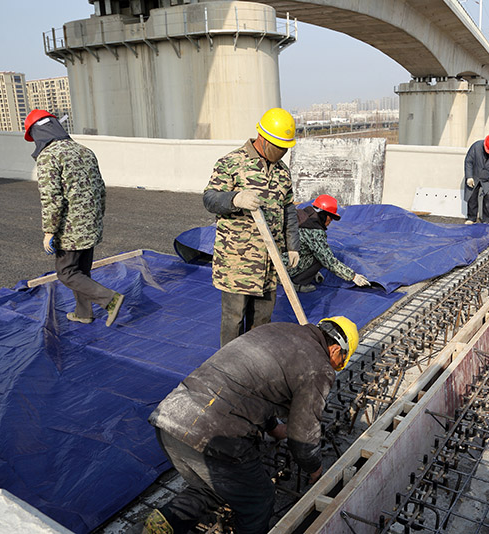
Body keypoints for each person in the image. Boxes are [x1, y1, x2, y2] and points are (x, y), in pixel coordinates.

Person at [144, 316, 359, 534]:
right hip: (213, 433)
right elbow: (303, 436)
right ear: (335, 350)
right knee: (258, 499)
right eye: (340, 362)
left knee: (220, 487)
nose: (335, 368)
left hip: (170, 417)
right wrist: (314, 467)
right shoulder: (318, 367)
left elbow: (252, 383)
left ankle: (166, 521)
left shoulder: (277, 329)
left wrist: (273, 427)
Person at [203, 108, 300, 347]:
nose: (283, 152)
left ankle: (255, 361)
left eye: (286, 147)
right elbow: (209, 199)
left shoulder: (282, 172)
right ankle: (230, 364)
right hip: (238, 261)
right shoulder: (232, 163)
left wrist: (292, 246)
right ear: (263, 138)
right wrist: (234, 199)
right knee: (234, 319)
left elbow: (288, 209)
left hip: (270, 262)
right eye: (279, 146)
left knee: (262, 322)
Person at [24, 109, 124, 327]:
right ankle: (83, 313)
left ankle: (110, 299)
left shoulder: (48, 156)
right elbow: (100, 188)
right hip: (91, 223)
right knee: (82, 272)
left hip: (70, 228)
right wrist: (98, 217)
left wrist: (49, 231)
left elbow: (52, 198)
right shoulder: (85, 151)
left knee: (67, 273)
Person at [287, 194, 371, 293]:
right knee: (321, 257)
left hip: (279, 261)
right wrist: (353, 276)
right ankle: (297, 283)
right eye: (330, 217)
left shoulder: (301, 216)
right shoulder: (314, 230)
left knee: (316, 252)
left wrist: (313, 272)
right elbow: (328, 260)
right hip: (287, 266)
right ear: (323, 215)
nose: (331, 221)